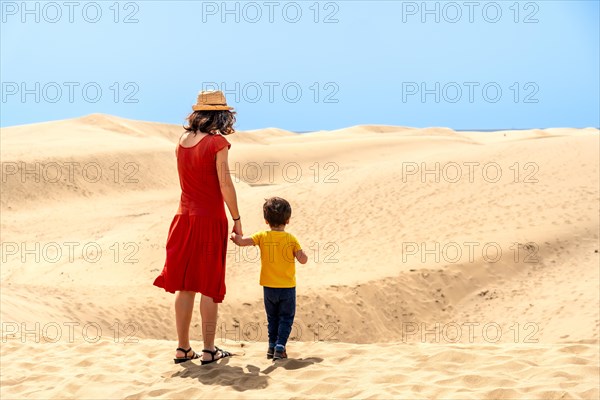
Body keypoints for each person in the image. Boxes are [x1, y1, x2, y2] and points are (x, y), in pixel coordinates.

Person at [153, 90, 242, 365]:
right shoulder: (217, 143)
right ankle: (209, 349)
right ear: (220, 114)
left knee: (185, 284)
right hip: (209, 219)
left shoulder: (181, 141)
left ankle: (182, 348)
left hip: (183, 218)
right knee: (209, 286)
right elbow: (225, 185)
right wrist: (238, 220)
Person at [230, 197, 308, 360]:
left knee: (272, 318)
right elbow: (303, 259)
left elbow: (241, 242)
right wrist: (301, 253)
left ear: (266, 221)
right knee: (286, 318)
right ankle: (280, 347)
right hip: (287, 288)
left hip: (268, 288)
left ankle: (271, 346)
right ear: (288, 220)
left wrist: (234, 235)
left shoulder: (262, 236)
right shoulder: (291, 239)